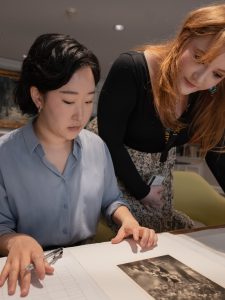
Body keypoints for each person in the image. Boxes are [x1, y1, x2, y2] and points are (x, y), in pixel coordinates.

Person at [0, 33, 157, 297]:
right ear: (38, 97)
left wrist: (127, 219)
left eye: (88, 101)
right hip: (30, 271)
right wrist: (16, 240)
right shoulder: (5, 155)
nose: (81, 114)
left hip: (88, 263)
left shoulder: (97, 147)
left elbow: (111, 201)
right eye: (69, 101)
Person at [86, 4, 225, 232]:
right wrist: (141, 191)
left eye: (218, 74)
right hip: (109, 173)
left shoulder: (210, 95)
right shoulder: (132, 68)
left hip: (156, 185)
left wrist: (149, 192)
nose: (201, 78)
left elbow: (216, 153)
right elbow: (109, 140)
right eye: (199, 57)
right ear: (184, 37)